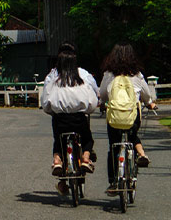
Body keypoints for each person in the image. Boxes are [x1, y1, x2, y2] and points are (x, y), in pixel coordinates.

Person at [98, 42, 157, 195]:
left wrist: (102, 104)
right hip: (132, 116)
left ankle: (113, 182)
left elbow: (103, 95)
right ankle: (140, 154)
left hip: (115, 117)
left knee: (113, 146)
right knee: (132, 135)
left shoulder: (109, 74)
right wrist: (149, 103)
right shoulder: (136, 74)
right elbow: (146, 95)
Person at [40, 42, 99, 180]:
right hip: (79, 118)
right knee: (87, 140)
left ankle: (57, 160)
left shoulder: (52, 78)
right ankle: (85, 157)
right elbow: (92, 98)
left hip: (60, 120)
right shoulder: (82, 76)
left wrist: (52, 111)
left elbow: (46, 103)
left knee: (58, 140)